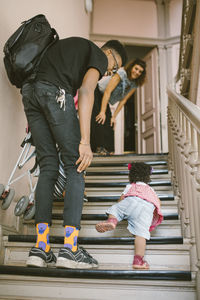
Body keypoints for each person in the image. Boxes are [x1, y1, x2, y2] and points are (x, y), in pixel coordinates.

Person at [22, 37, 127, 269]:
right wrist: (85, 142)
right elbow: (87, 91)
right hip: (54, 92)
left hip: (30, 93)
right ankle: (70, 249)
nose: (110, 72)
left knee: (48, 166)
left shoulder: (74, 49)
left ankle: (41, 249)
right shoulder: (98, 55)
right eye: (115, 66)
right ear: (109, 52)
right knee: (77, 165)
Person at [95, 162, 163, 269]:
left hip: (130, 201)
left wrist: (120, 209)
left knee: (116, 209)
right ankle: (138, 260)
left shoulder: (130, 186)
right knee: (141, 234)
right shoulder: (151, 190)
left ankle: (112, 221)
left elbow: (121, 199)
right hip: (145, 208)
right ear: (147, 177)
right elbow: (158, 202)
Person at [91, 59, 146, 155]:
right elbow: (107, 91)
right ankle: (98, 148)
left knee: (109, 122)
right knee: (100, 119)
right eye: (136, 69)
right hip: (97, 92)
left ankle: (108, 150)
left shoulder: (134, 84)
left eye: (140, 71)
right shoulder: (122, 73)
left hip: (104, 98)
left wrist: (114, 117)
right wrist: (102, 112)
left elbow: (123, 100)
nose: (137, 72)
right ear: (132, 67)